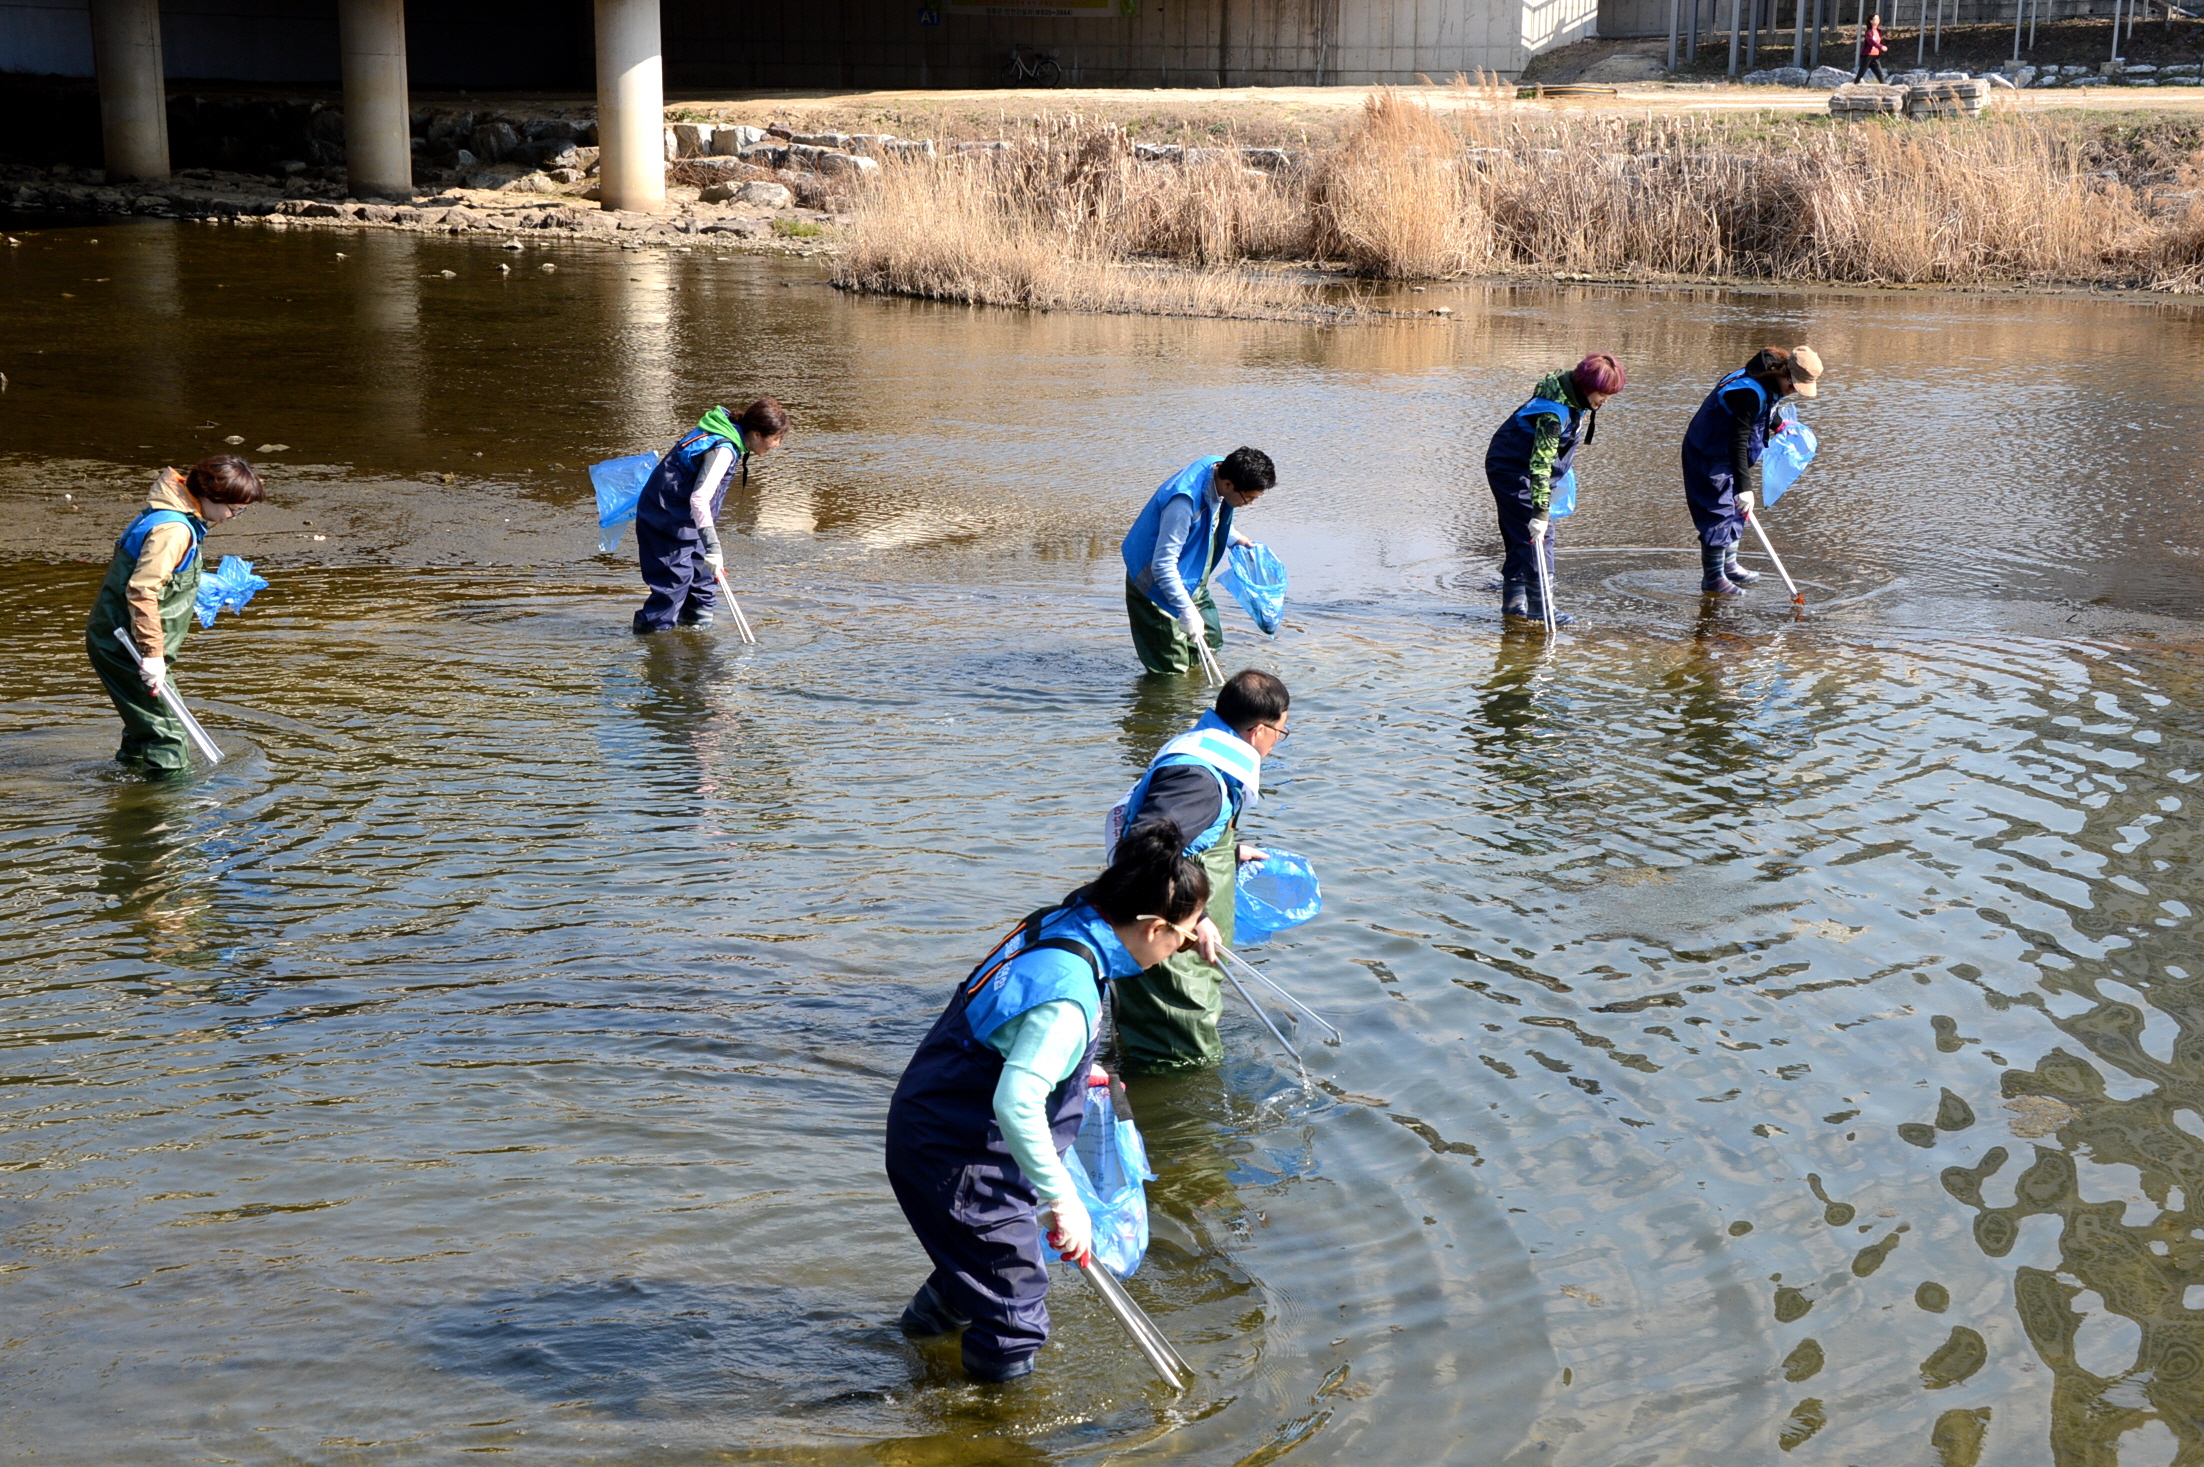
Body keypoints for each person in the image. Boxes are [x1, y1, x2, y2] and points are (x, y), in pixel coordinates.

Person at [884, 821, 1211, 1383]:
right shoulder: (1069, 997)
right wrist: (1065, 1202)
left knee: (978, 1268)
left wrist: (1080, 1072)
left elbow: (1015, 1038)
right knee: (1017, 1311)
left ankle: (913, 1345)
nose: (1182, 948)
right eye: (1183, 937)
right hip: (957, 1152)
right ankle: (985, 1432)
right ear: (1154, 928)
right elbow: (1015, 1103)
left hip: (941, 1117)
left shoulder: (1071, 918)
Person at [1108, 669, 1290, 1073]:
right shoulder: (1199, 778)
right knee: (1181, 1058)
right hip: (1166, 934)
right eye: (1281, 732)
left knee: (1157, 1041)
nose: (1278, 742)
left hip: (1173, 933)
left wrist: (1228, 848)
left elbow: (1176, 831)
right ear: (1259, 731)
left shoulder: (1202, 747)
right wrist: (1198, 916)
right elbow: (1142, 848)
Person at [83, 455, 265, 776]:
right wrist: (152, 656)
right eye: (234, 510)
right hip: (127, 645)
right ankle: (165, 813)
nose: (235, 517)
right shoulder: (174, 530)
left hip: (126, 639)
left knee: (145, 726)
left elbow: (160, 577)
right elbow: (142, 590)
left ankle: (125, 785)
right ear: (211, 496)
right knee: (169, 735)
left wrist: (202, 586)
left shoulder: (177, 514)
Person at [1482, 353, 1626, 627]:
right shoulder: (1551, 414)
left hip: (1522, 467)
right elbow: (1540, 466)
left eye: (1610, 394)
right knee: (1538, 537)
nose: (1605, 400)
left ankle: (1514, 607)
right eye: (1603, 393)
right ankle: (1541, 609)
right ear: (1585, 387)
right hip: (1514, 471)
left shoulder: (1573, 398)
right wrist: (1539, 513)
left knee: (1520, 536)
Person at [631, 398, 787, 634]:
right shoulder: (723, 450)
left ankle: (697, 647)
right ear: (756, 433)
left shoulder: (727, 431)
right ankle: (655, 648)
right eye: (775, 438)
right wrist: (714, 548)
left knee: (703, 583)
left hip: (689, 521)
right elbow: (699, 499)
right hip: (665, 519)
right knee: (672, 586)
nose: (776, 445)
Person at [1120, 447, 1276, 676]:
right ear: (1229, 484)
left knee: (1211, 642)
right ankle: (1172, 705)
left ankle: (1198, 692)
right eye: (1249, 498)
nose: (1250, 504)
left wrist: (1235, 538)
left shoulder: (1217, 466)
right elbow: (1162, 565)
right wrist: (1185, 610)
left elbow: (1211, 511)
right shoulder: (1182, 504)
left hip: (1189, 574)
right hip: (1155, 583)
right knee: (1172, 668)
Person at [1680, 346, 1822, 595]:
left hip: (1728, 456)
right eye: (1794, 386)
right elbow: (1737, 439)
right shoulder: (1749, 392)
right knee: (1719, 513)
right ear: (1786, 374)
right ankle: (1713, 579)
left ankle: (1729, 565)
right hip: (1709, 454)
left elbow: (1766, 411)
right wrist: (1745, 488)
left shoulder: (1768, 379)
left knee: (1738, 511)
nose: (1793, 392)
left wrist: (1779, 426)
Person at [1853, 13, 1888, 82]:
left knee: (1880, 73)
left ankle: (1885, 87)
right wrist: (1881, 47)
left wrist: (1880, 47)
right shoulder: (1868, 32)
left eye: (1878, 19)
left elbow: (1878, 41)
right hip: (1868, 55)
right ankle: (1854, 85)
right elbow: (1871, 41)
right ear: (1871, 21)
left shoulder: (1878, 31)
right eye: (1875, 19)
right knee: (1861, 72)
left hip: (1875, 56)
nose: (1877, 21)